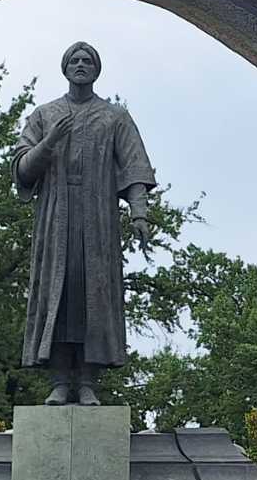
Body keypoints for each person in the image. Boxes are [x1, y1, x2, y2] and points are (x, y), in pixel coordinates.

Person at [13, 42, 158, 406]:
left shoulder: (114, 117)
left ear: (97, 70)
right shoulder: (45, 115)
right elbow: (22, 169)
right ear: (64, 68)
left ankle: (89, 381)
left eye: (88, 61)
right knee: (57, 295)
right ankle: (61, 381)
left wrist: (139, 212)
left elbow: (135, 167)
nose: (81, 65)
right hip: (55, 217)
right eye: (75, 60)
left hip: (98, 218)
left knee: (92, 294)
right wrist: (48, 143)